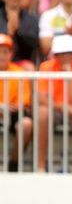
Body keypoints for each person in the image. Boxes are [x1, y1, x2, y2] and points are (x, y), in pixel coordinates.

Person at [36, 35, 72, 173]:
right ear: (55, 55)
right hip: (54, 109)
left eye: (69, 53)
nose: (65, 57)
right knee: (42, 112)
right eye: (61, 54)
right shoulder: (45, 67)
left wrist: (69, 77)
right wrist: (62, 107)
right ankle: (40, 167)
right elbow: (41, 99)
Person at [0, 33, 33, 172]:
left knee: (26, 124)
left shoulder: (19, 72)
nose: (1, 56)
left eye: (5, 52)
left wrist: (9, 107)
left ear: (11, 54)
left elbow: (23, 102)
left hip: (12, 113)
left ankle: (13, 164)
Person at [0, 0, 39, 65]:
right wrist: (8, 33)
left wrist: (18, 32)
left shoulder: (31, 19)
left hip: (21, 63)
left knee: (29, 68)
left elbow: (33, 48)